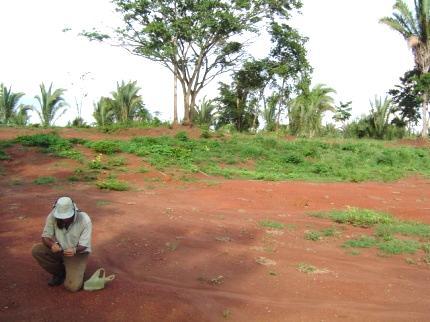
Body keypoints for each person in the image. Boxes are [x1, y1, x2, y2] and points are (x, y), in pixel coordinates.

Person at [31, 196, 92, 292]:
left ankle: (74, 271)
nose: (64, 219)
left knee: (73, 287)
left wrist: (74, 250)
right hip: (60, 249)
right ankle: (60, 273)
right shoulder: (52, 216)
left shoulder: (84, 219)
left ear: (74, 211)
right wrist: (52, 245)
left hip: (78, 253)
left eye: (67, 216)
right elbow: (45, 236)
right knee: (37, 250)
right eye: (61, 217)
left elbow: (84, 245)